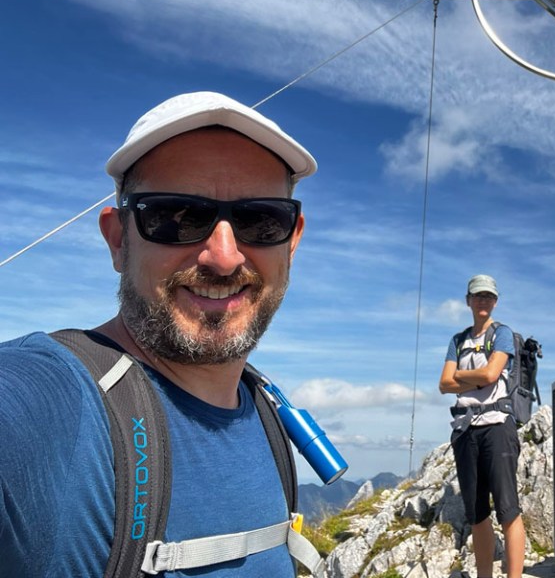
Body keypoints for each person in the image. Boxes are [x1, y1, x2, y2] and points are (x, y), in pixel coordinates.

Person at [0, 91, 319, 577]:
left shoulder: (266, 411)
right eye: (176, 217)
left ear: (292, 240)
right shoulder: (52, 402)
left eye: (261, 220)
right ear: (118, 239)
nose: (224, 257)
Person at [439, 274, 525, 578]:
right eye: (477, 296)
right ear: (468, 301)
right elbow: (443, 384)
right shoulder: (458, 340)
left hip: (497, 426)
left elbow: (490, 375)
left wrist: (460, 376)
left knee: (508, 509)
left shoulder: (502, 334)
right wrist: (476, 377)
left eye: (488, 296)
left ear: (495, 301)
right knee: (476, 513)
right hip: (465, 430)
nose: (482, 301)